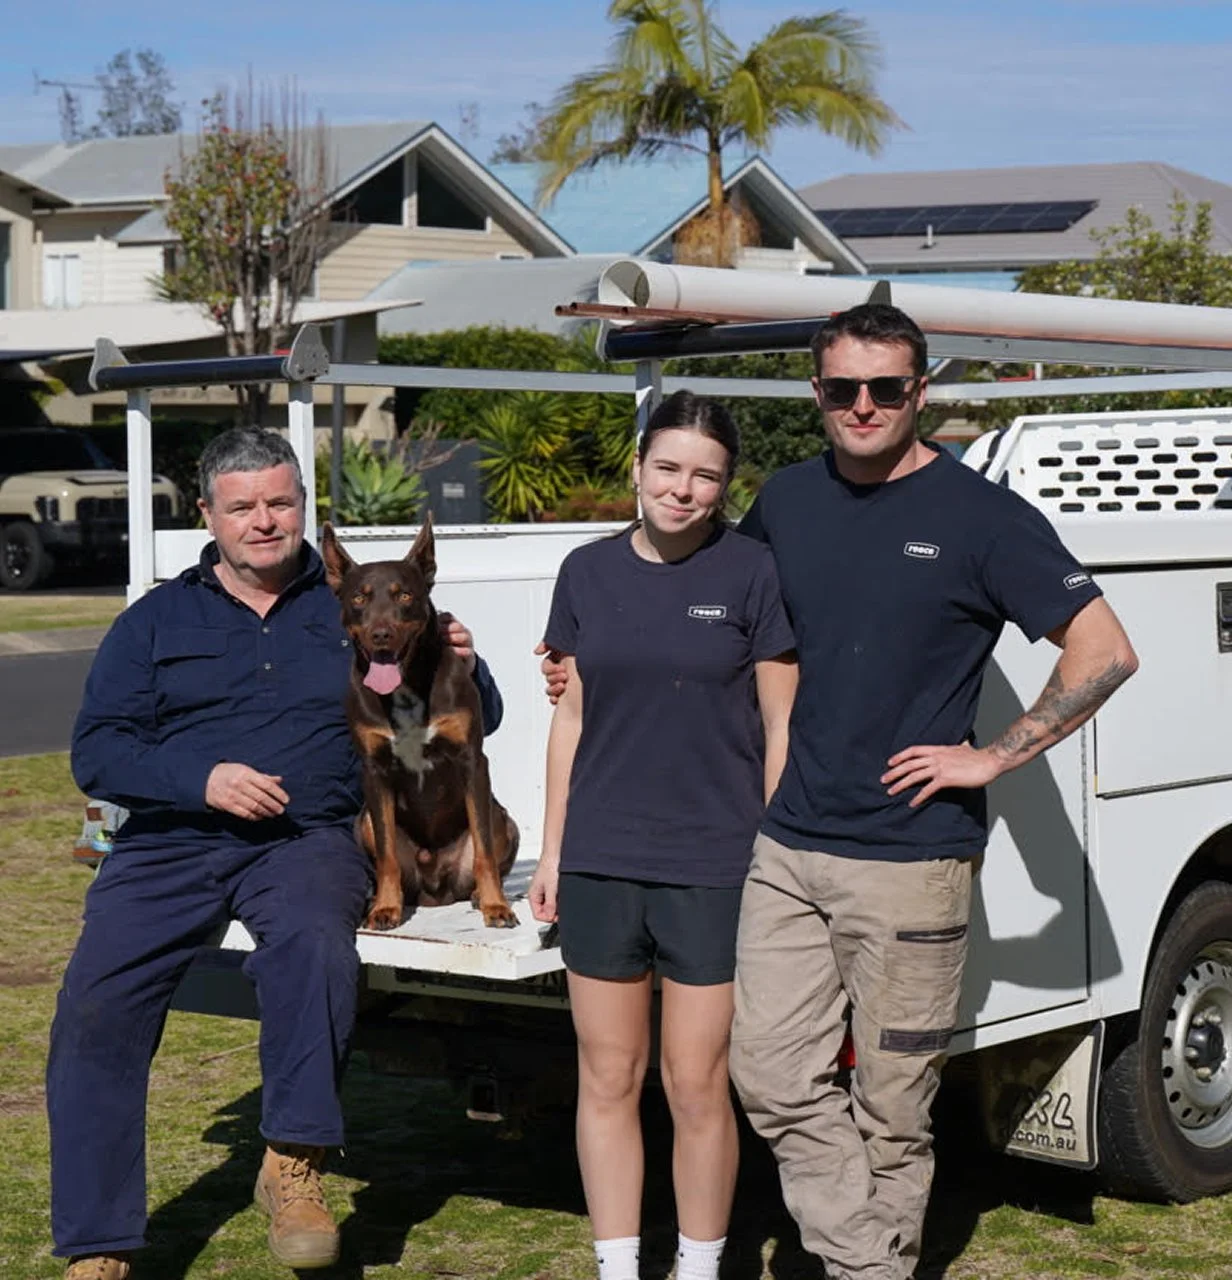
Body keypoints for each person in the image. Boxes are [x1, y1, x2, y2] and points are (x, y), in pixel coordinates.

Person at [542, 305, 1138, 1280]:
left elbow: (1103, 649)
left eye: (886, 388)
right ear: (816, 391)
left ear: (920, 390)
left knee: (895, 1106)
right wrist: (587, 659)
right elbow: (711, 608)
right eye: (842, 388)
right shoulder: (784, 499)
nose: (863, 405)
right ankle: (871, 1262)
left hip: (911, 855)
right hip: (782, 845)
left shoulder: (980, 517)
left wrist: (991, 755)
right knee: (768, 1078)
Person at [47, 427, 503, 1280]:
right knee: (98, 1002)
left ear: (304, 509)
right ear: (208, 516)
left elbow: (469, 730)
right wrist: (199, 777)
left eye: (281, 502)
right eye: (244, 506)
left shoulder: (359, 605)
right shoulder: (155, 620)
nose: (264, 520)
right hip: (170, 841)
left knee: (314, 952)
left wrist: (472, 669)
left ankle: (293, 1165)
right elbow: (98, 752)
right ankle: (100, 1241)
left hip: (308, 839)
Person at [528, 390, 798, 1280]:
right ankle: (615, 1266)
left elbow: (779, 730)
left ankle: (698, 1265)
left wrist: (774, 863)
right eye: (670, 468)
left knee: (694, 1083)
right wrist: (556, 850)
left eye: (706, 477)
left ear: (727, 488)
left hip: (716, 865)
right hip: (603, 860)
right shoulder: (585, 572)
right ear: (639, 467)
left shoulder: (753, 573)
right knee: (606, 1078)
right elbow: (570, 721)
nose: (684, 490)